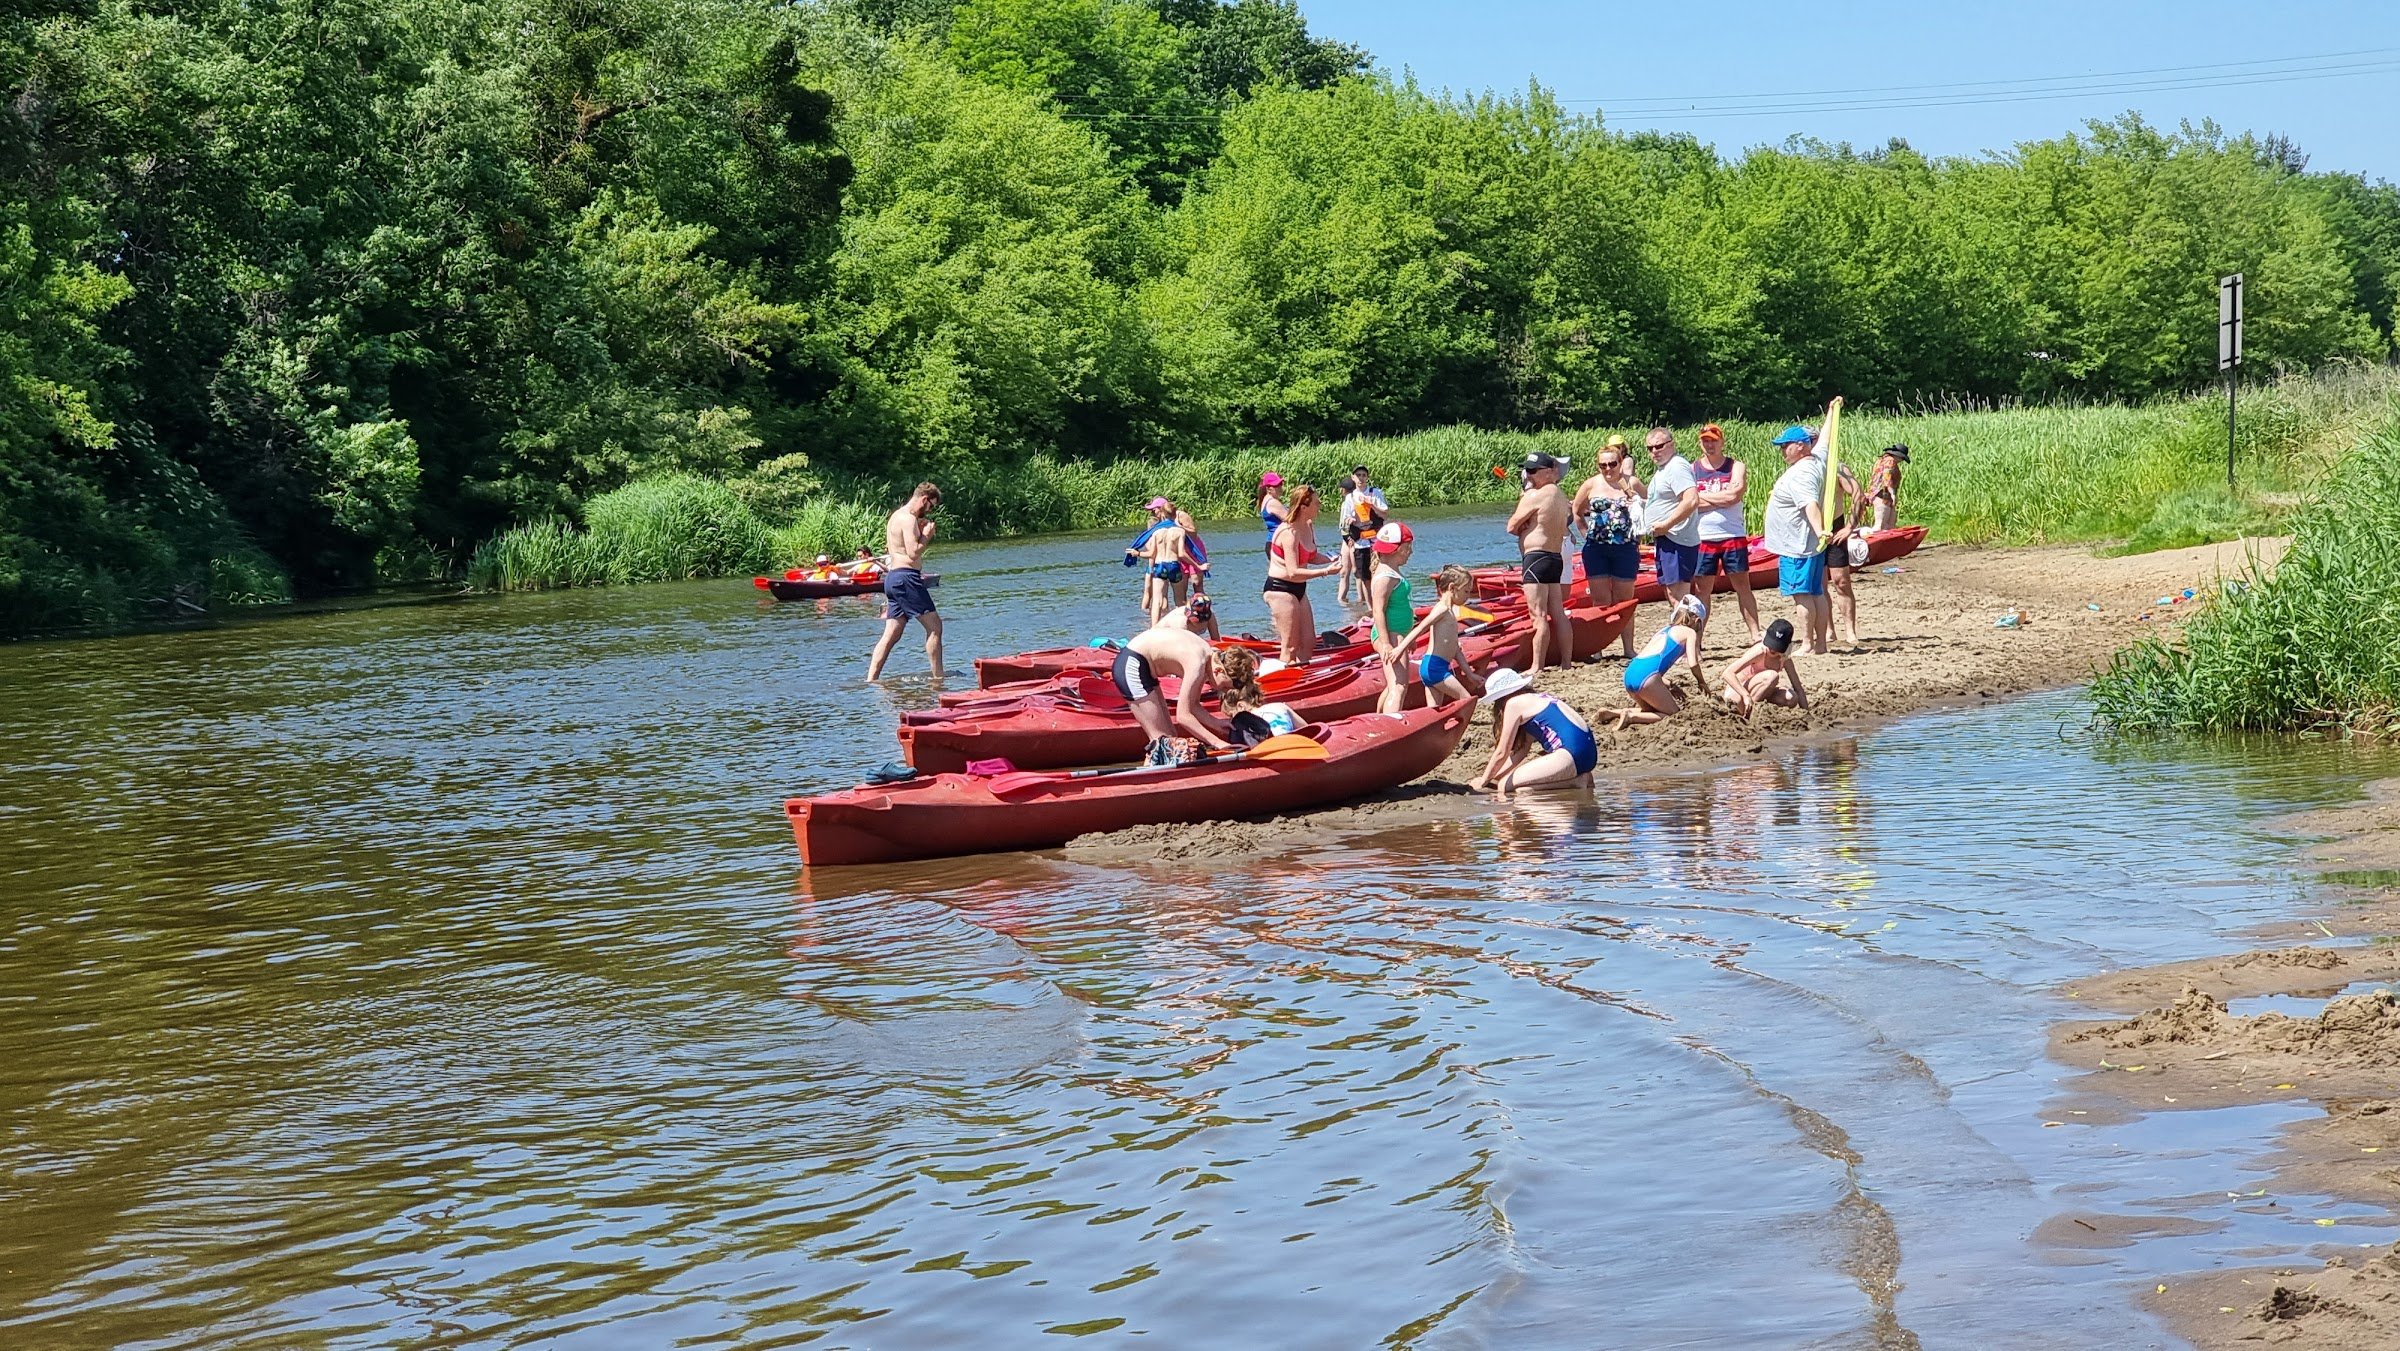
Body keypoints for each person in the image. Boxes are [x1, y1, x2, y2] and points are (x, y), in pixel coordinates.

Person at [1110, 624, 1258, 766]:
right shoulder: (1197, 664)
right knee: (1160, 740)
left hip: (1144, 668)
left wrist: (1217, 724)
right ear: (1219, 671)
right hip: (1131, 665)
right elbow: (1183, 716)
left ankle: (1165, 777)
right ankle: (1152, 783)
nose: (1223, 691)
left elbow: (1193, 705)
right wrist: (1217, 743)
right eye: (1225, 686)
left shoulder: (1209, 656)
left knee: (1170, 737)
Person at [1469, 666, 1599, 797]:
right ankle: (1577, 781)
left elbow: (1502, 752)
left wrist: (1482, 782)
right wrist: (1493, 779)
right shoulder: (1537, 699)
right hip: (1589, 754)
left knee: (1504, 787)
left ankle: (1576, 782)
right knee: (1521, 790)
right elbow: (1521, 752)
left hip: (1569, 754)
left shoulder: (1513, 703)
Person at [1570, 436, 1645, 658]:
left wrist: (1639, 519)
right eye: (1603, 465)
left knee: (1625, 600)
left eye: (1612, 464)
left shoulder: (1633, 483)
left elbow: (1650, 506)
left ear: (1621, 463)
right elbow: (1576, 509)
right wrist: (1585, 533)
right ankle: (1598, 647)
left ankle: (1628, 648)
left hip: (1625, 547)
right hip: (1597, 548)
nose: (1608, 469)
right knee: (1600, 600)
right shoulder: (1591, 484)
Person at [1690, 423, 1762, 642]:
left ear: (1722, 442)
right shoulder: (1693, 469)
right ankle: (1697, 640)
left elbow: (1734, 496)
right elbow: (1691, 502)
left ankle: (1755, 633)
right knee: (1703, 591)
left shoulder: (1735, 466)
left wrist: (1706, 500)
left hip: (1732, 534)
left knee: (1743, 586)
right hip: (1703, 536)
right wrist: (1720, 499)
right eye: (1705, 441)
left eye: (1713, 440)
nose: (1709, 445)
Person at [1763, 426, 1831, 654]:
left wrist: (1820, 530)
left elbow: (1809, 504)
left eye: (1785, 446)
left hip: (1797, 546)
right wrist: (1833, 410)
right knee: (1816, 593)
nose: (1782, 451)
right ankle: (1820, 643)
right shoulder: (1816, 460)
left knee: (1802, 595)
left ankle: (1808, 643)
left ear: (1800, 446)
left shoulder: (1801, 474)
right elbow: (1825, 441)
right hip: (1809, 545)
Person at [865, 481, 943, 680]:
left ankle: (871, 680)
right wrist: (926, 536)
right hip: (906, 578)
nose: (929, 510)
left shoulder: (896, 516)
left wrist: (919, 530)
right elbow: (913, 552)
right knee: (935, 627)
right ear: (924, 499)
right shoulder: (908, 519)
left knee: (892, 634)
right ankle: (939, 679)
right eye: (931, 506)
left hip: (892, 579)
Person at [1262, 484, 1347, 665]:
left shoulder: (1308, 526)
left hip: (1299, 588)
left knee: (1308, 643)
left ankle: (1303, 675)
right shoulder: (1289, 532)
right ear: (1303, 507)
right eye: (1316, 503)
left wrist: (1332, 560)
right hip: (1280, 588)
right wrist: (1325, 572)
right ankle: (1286, 680)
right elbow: (1292, 571)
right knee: (1291, 646)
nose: (1320, 505)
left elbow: (1312, 556)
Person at [1506, 451, 1574, 672]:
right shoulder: (1561, 496)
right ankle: (1566, 662)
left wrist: (1522, 525)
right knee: (1558, 611)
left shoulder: (1534, 495)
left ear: (1550, 471)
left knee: (1538, 614)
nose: (1529, 475)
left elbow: (1511, 526)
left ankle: (1537, 665)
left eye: (1534, 471)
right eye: (1528, 470)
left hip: (1536, 558)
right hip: (1554, 557)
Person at [1602, 596, 1708, 729]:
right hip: (1647, 678)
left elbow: (1650, 661)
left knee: (1653, 711)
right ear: (1697, 620)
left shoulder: (1664, 630)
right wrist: (1701, 682)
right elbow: (1693, 664)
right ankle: (1630, 717)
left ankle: (1612, 713)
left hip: (1630, 674)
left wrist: (1669, 685)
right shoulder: (1689, 632)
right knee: (1673, 714)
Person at [1395, 563, 1481, 704]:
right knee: (1466, 700)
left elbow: (1455, 649)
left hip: (1434, 667)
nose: (1468, 596)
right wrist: (1400, 648)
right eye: (1466, 591)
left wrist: (1469, 673)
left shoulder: (1450, 612)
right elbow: (1421, 627)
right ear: (1452, 588)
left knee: (1435, 711)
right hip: (1434, 667)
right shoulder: (1442, 610)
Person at [1642, 427, 1702, 615]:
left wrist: (1666, 524)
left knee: (1679, 595)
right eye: (1650, 448)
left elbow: (1691, 500)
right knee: (1672, 593)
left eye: (1659, 446)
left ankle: (1688, 640)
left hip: (1677, 538)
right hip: (1665, 538)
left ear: (1671, 444)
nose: (1654, 452)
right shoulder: (1664, 470)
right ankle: (1685, 637)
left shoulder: (1677, 466)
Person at [1367, 522, 1419, 713]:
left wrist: (1410, 634)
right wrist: (1386, 642)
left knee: (1393, 684)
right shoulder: (1385, 577)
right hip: (1390, 634)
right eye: (1407, 548)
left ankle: (1379, 717)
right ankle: (1390, 721)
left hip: (1398, 633)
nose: (1410, 553)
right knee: (1399, 685)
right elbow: (1378, 611)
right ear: (1396, 550)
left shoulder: (1390, 571)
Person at [1718, 617, 1809, 720]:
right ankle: (1752, 713)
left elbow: (1798, 688)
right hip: (1739, 691)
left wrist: (1807, 714)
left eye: (1777, 646)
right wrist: (1745, 695)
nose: (1772, 649)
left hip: (1760, 691)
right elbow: (1727, 673)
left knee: (1791, 698)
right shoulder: (1760, 651)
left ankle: (1760, 711)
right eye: (1771, 643)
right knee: (1772, 676)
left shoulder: (1784, 658)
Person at [1823, 460, 1868, 645]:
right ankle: (1828, 630)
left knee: (1841, 581)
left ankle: (1850, 631)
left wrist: (1850, 526)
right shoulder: (1801, 466)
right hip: (1811, 529)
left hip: (1835, 526)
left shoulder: (1836, 467)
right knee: (1817, 584)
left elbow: (1858, 494)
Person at [1140, 503, 1199, 624]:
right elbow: (1182, 554)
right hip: (1173, 566)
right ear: (1175, 515)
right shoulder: (1179, 531)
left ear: (1162, 514)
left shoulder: (1156, 532)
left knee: (1157, 600)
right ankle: (1181, 626)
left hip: (1160, 566)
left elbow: (1151, 553)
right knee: (1180, 601)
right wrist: (1198, 565)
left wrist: (1137, 553)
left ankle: (1154, 628)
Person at [1337, 466, 1388, 605]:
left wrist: (1372, 505)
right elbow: (1345, 522)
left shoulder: (1375, 493)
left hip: (1376, 541)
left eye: (1364, 475)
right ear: (1353, 478)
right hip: (1360, 542)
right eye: (1358, 475)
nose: (1361, 478)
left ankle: (1381, 604)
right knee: (1364, 576)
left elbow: (1385, 514)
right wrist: (1350, 521)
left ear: (1367, 477)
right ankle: (1370, 608)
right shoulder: (1349, 498)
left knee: (1379, 573)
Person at [1867, 444, 1909, 532]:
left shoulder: (1882, 460)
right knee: (1881, 524)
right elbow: (1887, 476)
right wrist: (1892, 493)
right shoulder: (1890, 460)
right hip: (1882, 493)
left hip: (1883, 493)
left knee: (1888, 524)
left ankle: (1887, 543)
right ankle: (1871, 541)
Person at [1257, 471, 1288, 549]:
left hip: (1272, 542)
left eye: (1281, 484)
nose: (1280, 488)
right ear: (1268, 489)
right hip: (1277, 543)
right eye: (1276, 485)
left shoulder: (1266, 500)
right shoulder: (1273, 502)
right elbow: (1291, 520)